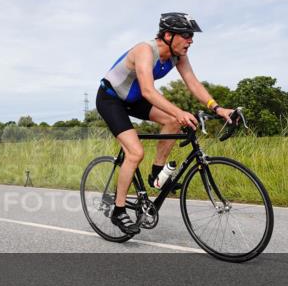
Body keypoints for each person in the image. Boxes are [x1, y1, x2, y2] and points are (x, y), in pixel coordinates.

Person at [97, 12, 236, 234]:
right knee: (135, 152)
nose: (191, 40)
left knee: (173, 121)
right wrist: (180, 111)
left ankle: (156, 174)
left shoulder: (178, 56)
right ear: (169, 35)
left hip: (135, 100)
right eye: (186, 35)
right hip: (111, 99)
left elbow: (193, 83)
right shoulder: (145, 51)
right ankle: (119, 210)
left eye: (192, 36)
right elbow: (148, 91)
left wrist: (217, 107)